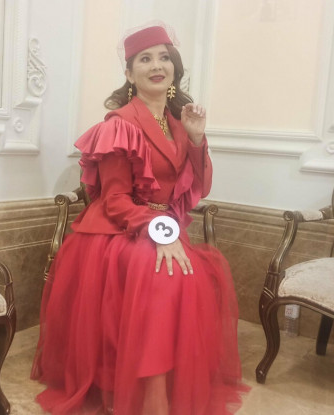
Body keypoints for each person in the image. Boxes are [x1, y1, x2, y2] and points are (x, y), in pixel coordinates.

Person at [32, 23, 246, 415]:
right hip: (116, 231)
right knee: (163, 275)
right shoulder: (119, 124)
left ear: (175, 69)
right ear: (130, 74)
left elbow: (201, 186)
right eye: (145, 59)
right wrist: (160, 233)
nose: (157, 65)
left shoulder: (179, 123)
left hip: (162, 227)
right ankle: (152, 398)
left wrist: (197, 139)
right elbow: (115, 201)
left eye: (164, 57)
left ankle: (165, 383)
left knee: (190, 274)